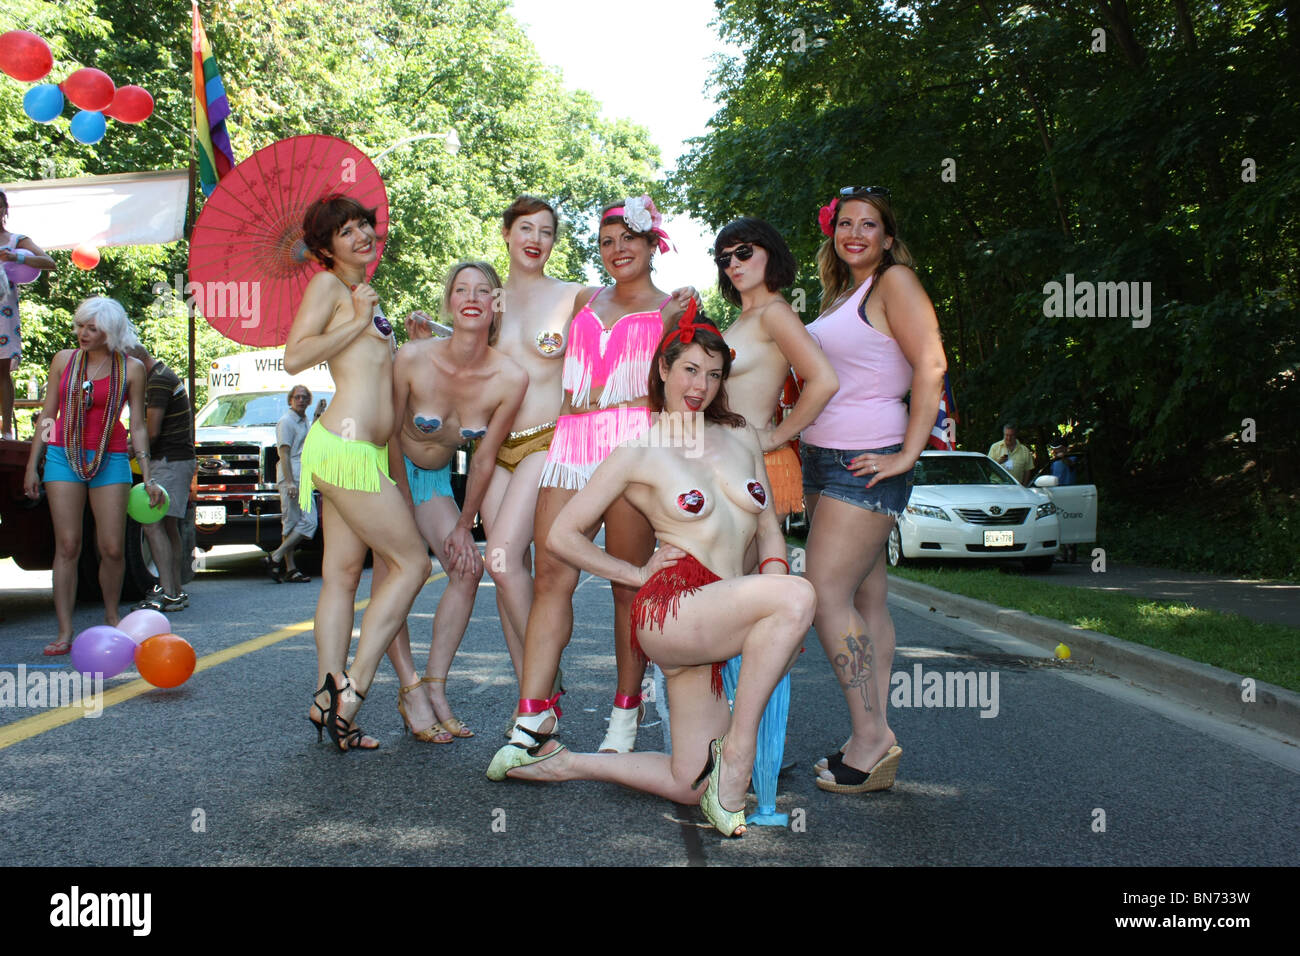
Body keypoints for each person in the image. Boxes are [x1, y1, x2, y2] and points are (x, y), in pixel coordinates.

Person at [487, 311, 814, 837]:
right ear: (662, 370)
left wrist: (773, 596)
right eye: (688, 369)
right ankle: (738, 756)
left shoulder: (742, 436)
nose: (699, 386)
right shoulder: (638, 449)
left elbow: (770, 532)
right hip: (675, 610)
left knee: (688, 780)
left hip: (725, 612)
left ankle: (560, 762)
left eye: (712, 374)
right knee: (799, 595)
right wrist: (635, 573)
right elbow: (562, 535)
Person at [504, 195, 694, 755]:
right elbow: (515, 314)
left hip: (632, 448)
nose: (617, 251)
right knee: (550, 577)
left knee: (625, 585)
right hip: (571, 440)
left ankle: (625, 715)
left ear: (651, 243)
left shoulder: (674, 308)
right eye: (607, 242)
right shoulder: (582, 301)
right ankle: (534, 715)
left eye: (628, 239)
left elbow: (688, 385)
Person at [802, 187, 946, 793]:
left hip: (863, 463)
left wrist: (907, 454)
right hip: (821, 456)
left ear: (889, 237)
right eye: (845, 224)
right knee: (866, 598)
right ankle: (873, 728)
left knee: (823, 593)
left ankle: (870, 736)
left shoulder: (896, 283)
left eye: (869, 225)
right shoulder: (844, 295)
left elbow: (931, 365)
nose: (854, 233)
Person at [285, 194, 432, 752]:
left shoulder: (365, 295)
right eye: (346, 231)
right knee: (413, 563)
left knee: (343, 576)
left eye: (364, 225)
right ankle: (356, 686)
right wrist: (359, 320)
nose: (362, 235)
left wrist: (399, 339)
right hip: (341, 449)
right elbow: (295, 356)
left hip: (365, 453)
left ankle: (327, 696)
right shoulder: (329, 287)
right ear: (325, 247)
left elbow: (383, 390)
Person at [381, 260, 526, 743]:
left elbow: (483, 460)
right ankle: (409, 689)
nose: (471, 296)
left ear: (495, 305)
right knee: (397, 574)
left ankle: (436, 685)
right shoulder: (413, 357)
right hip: (386, 471)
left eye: (483, 290)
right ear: (448, 301)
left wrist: (465, 525)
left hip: (435, 479)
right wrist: (397, 495)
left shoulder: (509, 377)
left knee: (467, 567)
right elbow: (387, 434)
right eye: (461, 289)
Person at [480, 197, 583, 691]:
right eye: (526, 228)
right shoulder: (489, 300)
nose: (535, 240)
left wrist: (672, 300)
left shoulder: (572, 296)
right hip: (493, 449)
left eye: (546, 232)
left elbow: (633, 306)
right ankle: (530, 697)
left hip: (547, 441)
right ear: (506, 233)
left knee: (498, 557)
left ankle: (545, 683)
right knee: (507, 575)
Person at [23, 298, 164, 654]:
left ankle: (113, 617)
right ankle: (65, 630)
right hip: (62, 456)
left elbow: (138, 427)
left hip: (111, 456)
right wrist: (32, 464)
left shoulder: (131, 368)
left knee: (112, 548)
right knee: (68, 545)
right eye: (80, 326)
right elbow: (47, 415)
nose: (82, 333)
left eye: (91, 328)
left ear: (110, 332)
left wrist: (146, 475)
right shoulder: (63, 360)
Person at [714, 217, 837, 526]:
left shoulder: (775, 313)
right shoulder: (743, 319)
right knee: (725, 573)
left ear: (770, 251)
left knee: (733, 572)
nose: (734, 264)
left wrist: (776, 436)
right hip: (728, 460)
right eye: (725, 258)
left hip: (760, 464)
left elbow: (824, 380)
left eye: (744, 252)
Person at [126, 343, 195, 610]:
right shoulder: (163, 374)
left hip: (169, 460)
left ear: (135, 358)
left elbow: (151, 431)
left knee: (151, 522)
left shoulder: (157, 381)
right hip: (176, 459)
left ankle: (169, 593)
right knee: (168, 526)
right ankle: (174, 590)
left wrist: (129, 448)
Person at [0, 188, 56, 440]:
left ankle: (7, 430)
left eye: (0, 206)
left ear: (5, 210)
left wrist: (16, 257)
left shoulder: (15, 240)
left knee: (1, 371)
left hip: (4, 312)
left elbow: (49, 262)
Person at [266, 384, 317, 583]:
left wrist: (318, 415)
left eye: (305, 397)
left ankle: (279, 559)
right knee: (296, 521)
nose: (301, 400)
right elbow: (284, 453)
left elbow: (309, 441)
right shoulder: (286, 422)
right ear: (290, 400)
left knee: (302, 521)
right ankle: (286, 564)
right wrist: (289, 482)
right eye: (297, 397)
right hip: (292, 475)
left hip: (303, 474)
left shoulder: (304, 420)